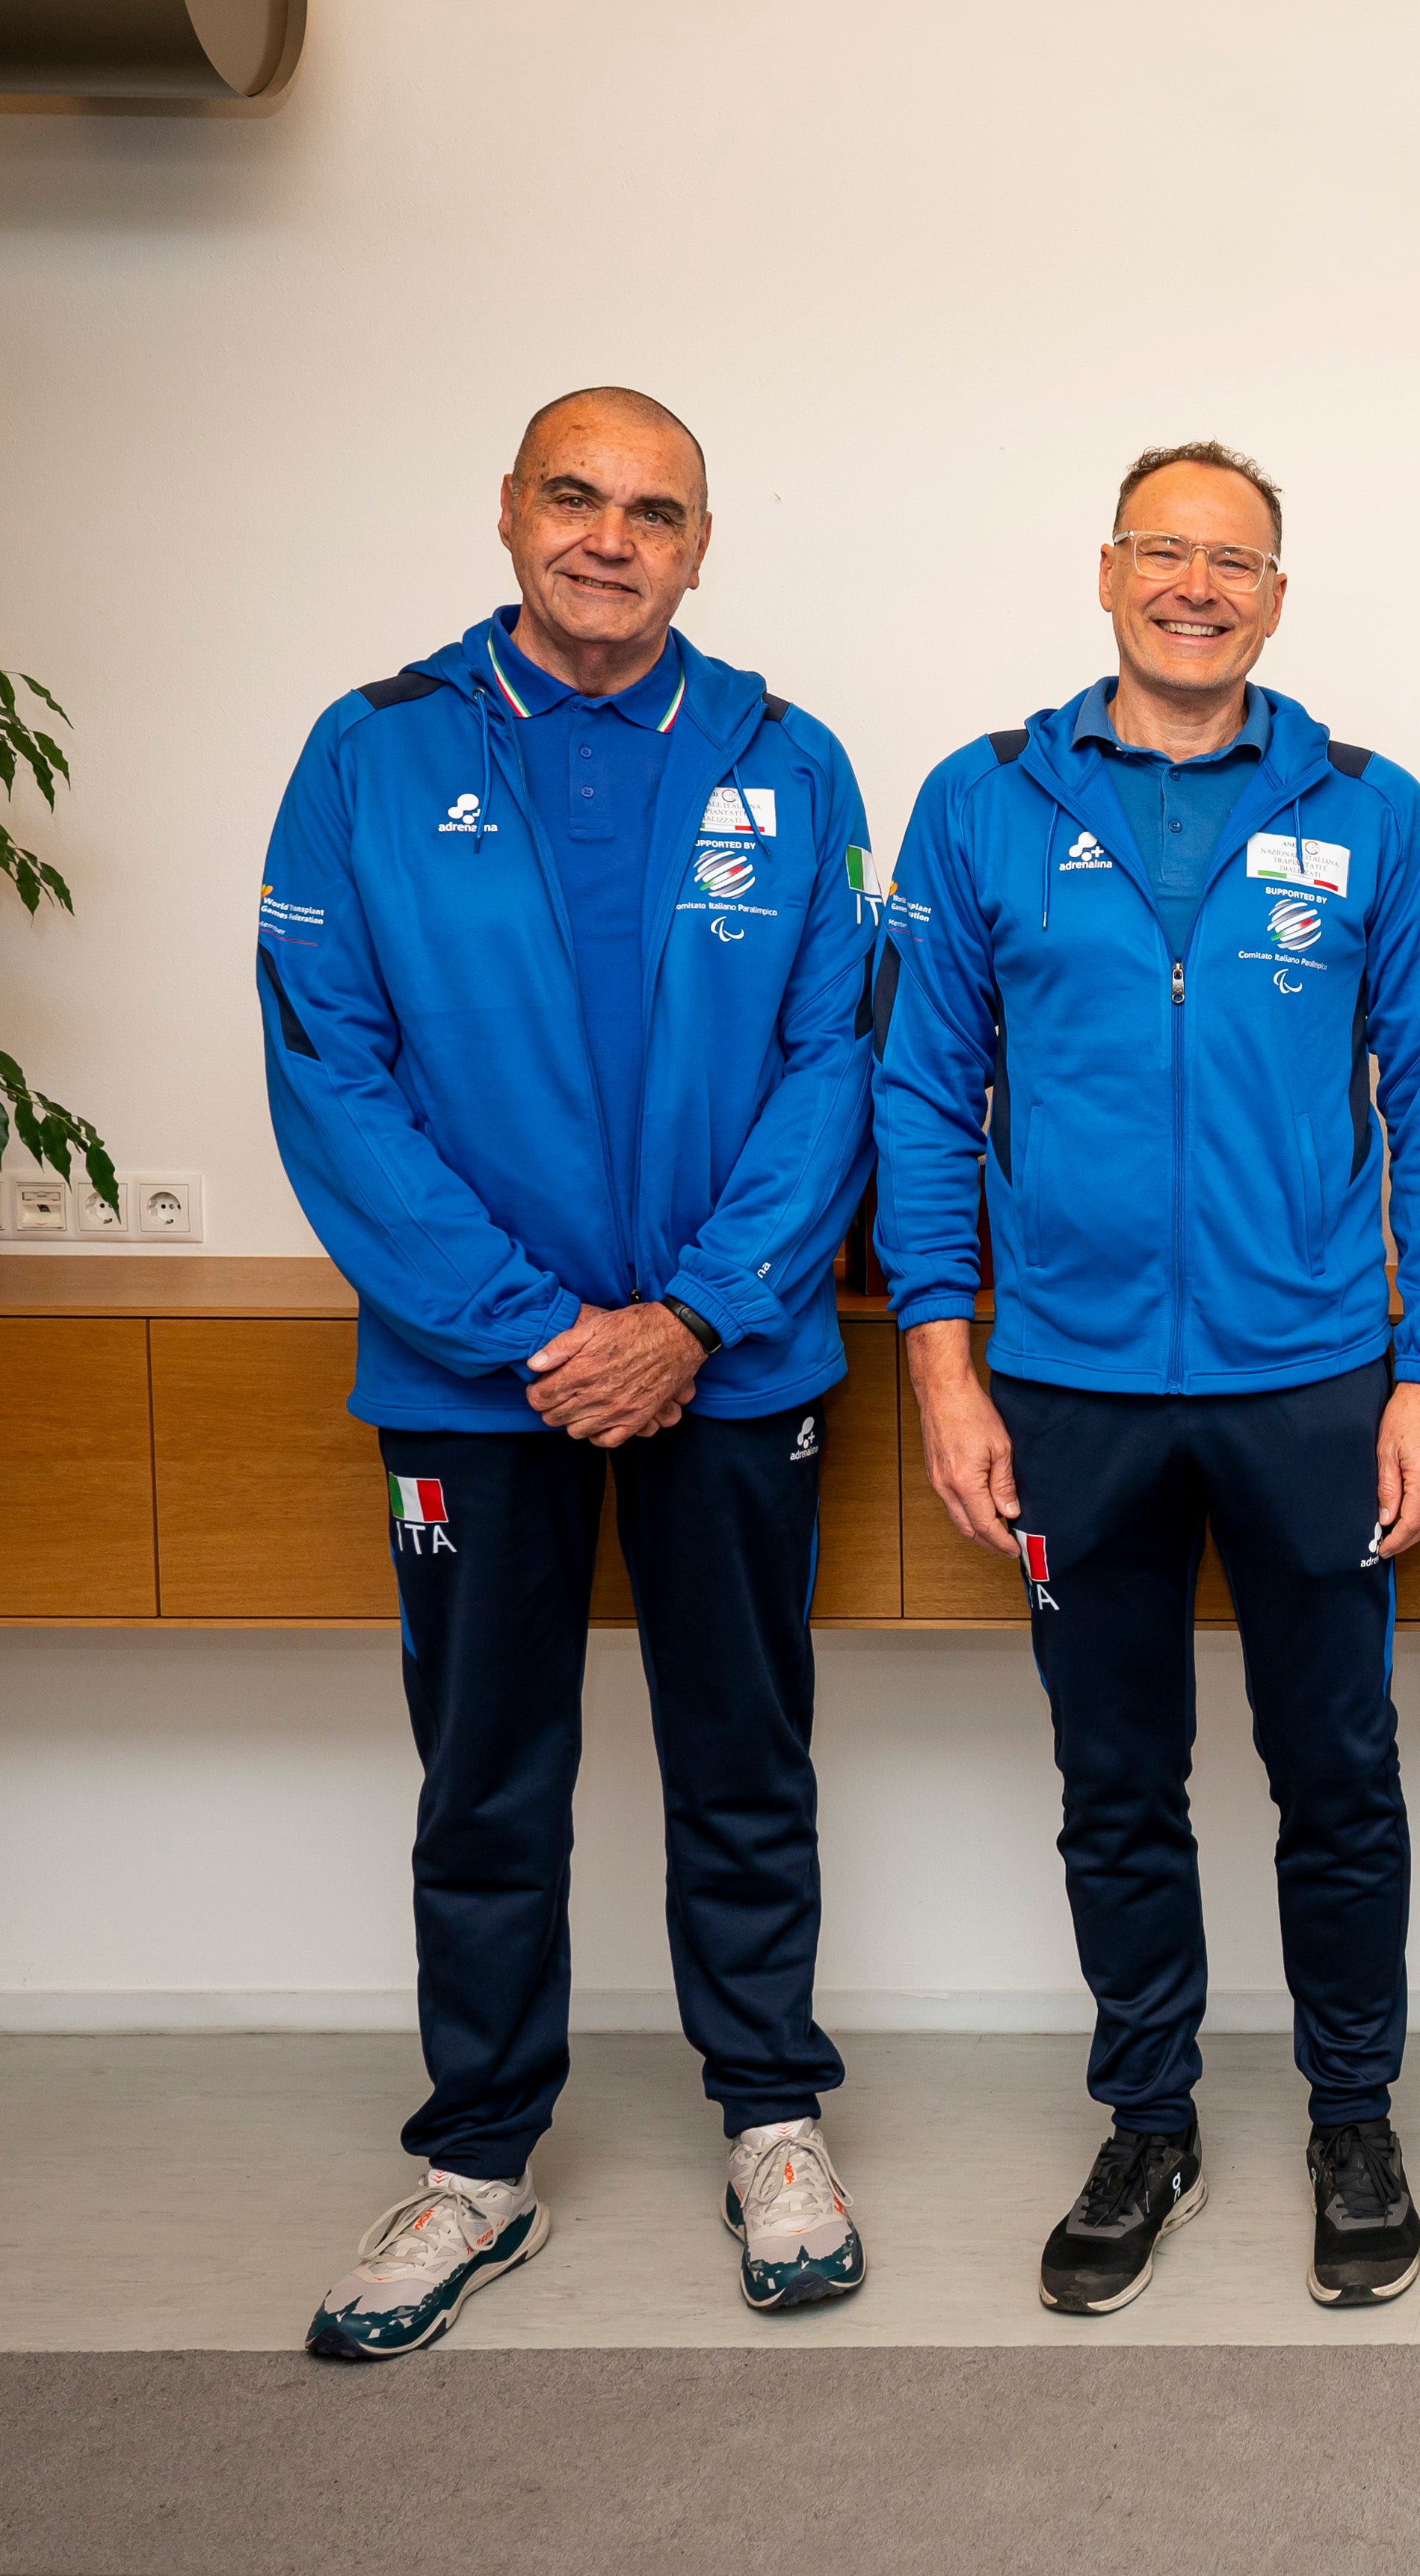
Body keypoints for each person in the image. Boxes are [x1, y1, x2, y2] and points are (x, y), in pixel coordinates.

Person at [259, 388, 878, 2358]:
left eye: (655, 512)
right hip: (475, 1383)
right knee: (489, 1777)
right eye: (575, 498)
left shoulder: (789, 764)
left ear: (702, 550)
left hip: (736, 1358)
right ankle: (478, 2166)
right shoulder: (369, 756)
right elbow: (327, 1069)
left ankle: (772, 2120)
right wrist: (541, 1329)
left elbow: (834, 1066)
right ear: (512, 515)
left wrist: (691, 1316)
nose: (610, 539)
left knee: (743, 1754)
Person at [871, 439, 1420, 2314]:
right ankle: (1148, 2114)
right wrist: (944, 1368)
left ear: (1279, 596)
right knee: (1115, 1776)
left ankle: (1351, 2112)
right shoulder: (983, 803)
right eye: (1167, 550)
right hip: (1065, 1385)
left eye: (1237, 559)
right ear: (1111, 570)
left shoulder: (1370, 810)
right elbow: (920, 1096)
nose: (1198, 584)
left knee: (1341, 1773)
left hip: (1313, 1380)